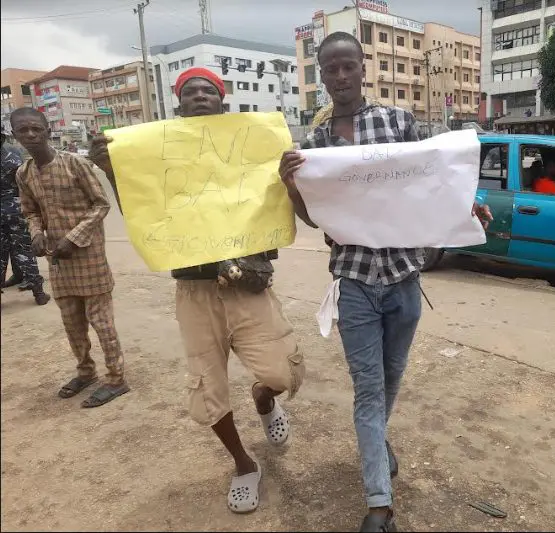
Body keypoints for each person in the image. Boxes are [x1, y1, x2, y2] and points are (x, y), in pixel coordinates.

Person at [279, 31, 492, 532]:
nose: (340, 76)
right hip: (353, 281)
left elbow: (430, 183)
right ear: (321, 75)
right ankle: (379, 503)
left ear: (363, 67)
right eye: (329, 69)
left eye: (347, 65)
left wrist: (467, 208)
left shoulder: (398, 122)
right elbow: (313, 220)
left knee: (390, 380)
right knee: (369, 390)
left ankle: (377, 441)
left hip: (402, 279)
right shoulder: (315, 145)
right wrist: (291, 185)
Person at [89, 67, 305, 514]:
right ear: (178, 102)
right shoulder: (161, 156)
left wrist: (288, 176)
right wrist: (114, 171)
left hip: (247, 285)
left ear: (223, 102)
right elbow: (146, 213)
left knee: (284, 374)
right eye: (192, 91)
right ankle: (244, 465)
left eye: (210, 90)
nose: (201, 95)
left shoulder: (249, 148)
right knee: (207, 390)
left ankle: (264, 401)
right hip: (194, 292)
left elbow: (272, 202)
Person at [11, 107, 128, 407]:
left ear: (48, 130)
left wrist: (73, 238)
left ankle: (116, 379)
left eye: (36, 128)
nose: (31, 135)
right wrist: (37, 233)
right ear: (15, 135)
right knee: (72, 323)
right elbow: (30, 211)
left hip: (89, 257)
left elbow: (100, 205)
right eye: (23, 130)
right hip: (58, 261)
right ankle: (86, 371)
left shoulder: (75, 164)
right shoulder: (23, 173)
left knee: (101, 323)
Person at [1, 123, 50, 304]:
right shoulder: (13, 155)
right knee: (23, 250)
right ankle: (38, 293)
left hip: (11, 208)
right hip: (15, 208)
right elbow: (26, 183)